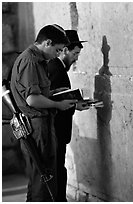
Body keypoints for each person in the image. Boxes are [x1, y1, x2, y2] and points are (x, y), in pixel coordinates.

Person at [10, 24, 78, 202]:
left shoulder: (36, 60)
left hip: (40, 125)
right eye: (57, 50)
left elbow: (39, 94)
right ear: (47, 43)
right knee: (44, 180)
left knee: (44, 179)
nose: (58, 54)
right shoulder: (31, 61)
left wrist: (58, 95)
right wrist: (58, 104)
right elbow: (32, 100)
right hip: (36, 126)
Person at [47, 30, 90, 201]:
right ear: (64, 50)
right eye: (75, 53)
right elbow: (54, 104)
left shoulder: (55, 67)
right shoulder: (56, 69)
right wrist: (75, 106)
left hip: (56, 132)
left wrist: (76, 104)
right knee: (57, 171)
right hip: (56, 131)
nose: (76, 58)